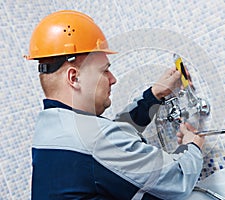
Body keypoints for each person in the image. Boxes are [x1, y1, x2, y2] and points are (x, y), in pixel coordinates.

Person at [25, 10, 205, 200]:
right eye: (105, 71)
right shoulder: (95, 140)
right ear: (74, 77)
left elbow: (114, 136)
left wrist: (154, 95)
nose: (113, 79)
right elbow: (177, 181)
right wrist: (191, 147)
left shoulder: (51, 128)